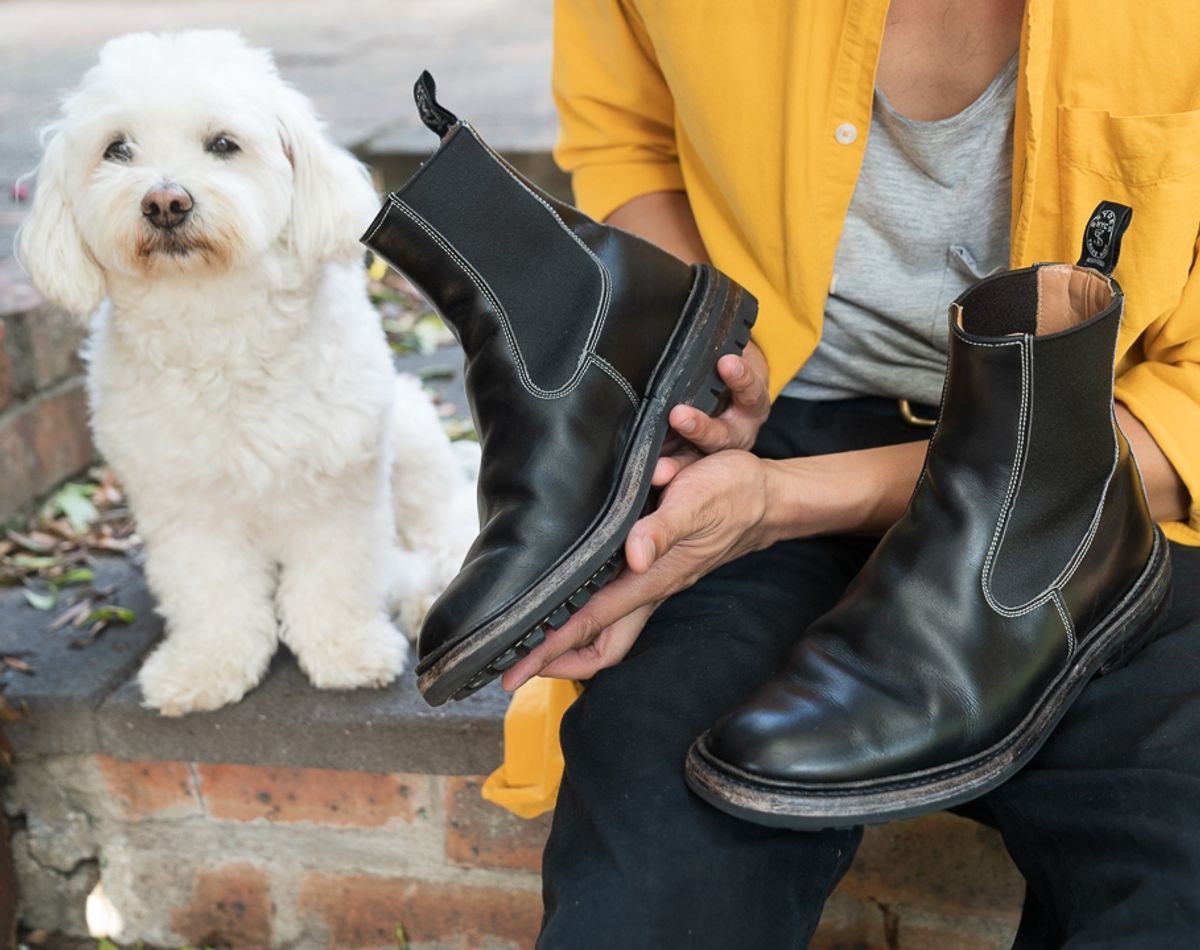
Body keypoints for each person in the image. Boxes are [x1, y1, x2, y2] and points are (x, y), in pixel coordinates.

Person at [499, 1, 1200, 946]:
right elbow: (628, 139)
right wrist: (702, 361)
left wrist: (784, 505)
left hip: (1113, 471)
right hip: (775, 426)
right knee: (656, 850)